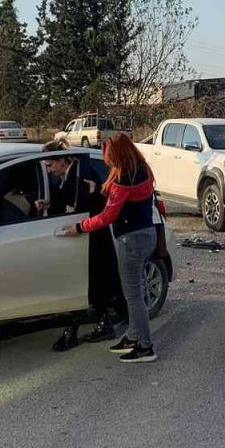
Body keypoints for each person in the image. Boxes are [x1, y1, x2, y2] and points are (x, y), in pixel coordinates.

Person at [56, 134, 159, 364]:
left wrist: (80, 227)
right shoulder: (142, 169)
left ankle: (145, 347)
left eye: (107, 154)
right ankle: (133, 337)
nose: (105, 159)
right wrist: (98, 190)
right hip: (146, 234)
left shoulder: (123, 177)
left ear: (116, 154)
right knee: (137, 292)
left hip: (131, 241)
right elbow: (126, 199)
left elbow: (108, 215)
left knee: (133, 297)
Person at [38, 142, 114, 352]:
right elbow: (69, 200)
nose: (49, 169)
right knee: (87, 284)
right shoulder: (71, 174)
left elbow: (89, 205)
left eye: (50, 165)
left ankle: (76, 330)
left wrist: (77, 214)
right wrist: (50, 204)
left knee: (87, 282)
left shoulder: (83, 173)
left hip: (91, 236)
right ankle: (101, 324)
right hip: (83, 235)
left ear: (63, 160)